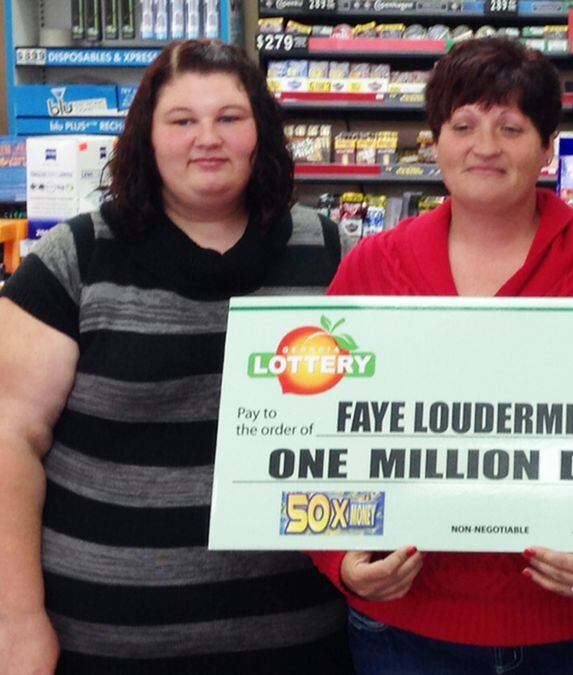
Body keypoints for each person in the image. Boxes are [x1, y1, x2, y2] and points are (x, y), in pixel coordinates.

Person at [306, 37, 573, 675]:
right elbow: (313, 432)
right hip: (410, 630)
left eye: (510, 127)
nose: (484, 147)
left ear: (547, 147)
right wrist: (340, 560)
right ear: (435, 141)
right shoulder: (372, 267)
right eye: (463, 126)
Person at [0, 40, 351, 674]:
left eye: (229, 118)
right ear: (147, 137)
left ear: (262, 133)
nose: (206, 139)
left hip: (299, 640)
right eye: (182, 120)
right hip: (105, 644)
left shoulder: (330, 252)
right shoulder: (76, 258)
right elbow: (9, 441)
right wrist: (16, 622)